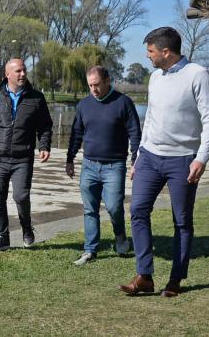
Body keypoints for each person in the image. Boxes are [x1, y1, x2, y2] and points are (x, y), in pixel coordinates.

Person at [119, 27, 209, 297]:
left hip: (183, 160)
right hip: (150, 156)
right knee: (138, 210)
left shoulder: (198, 75)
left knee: (182, 221)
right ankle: (144, 276)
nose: (148, 56)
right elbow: (150, 118)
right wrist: (138, 156)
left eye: (150, 51)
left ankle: (176, 279)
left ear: (166, 51)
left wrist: (202, 157)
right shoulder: (155, 77)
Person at [0, 58, 53, 251]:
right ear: (7, 74)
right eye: (18, 71)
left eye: (24, 70)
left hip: (22, 158)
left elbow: (45, 126)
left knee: (20, 196)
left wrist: (44, 145)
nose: (23, 74)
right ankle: (3, 237)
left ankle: (27, 229)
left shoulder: (36, 98)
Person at [65, 66, 141, 266]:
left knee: (115, 207)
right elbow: (76, 133)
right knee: (90, 209)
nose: (93, 89)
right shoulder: (84, 105)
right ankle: (90, 250)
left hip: (114, 166)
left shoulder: (123, 103)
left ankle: (120, 236)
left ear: (108, 81)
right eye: (90, 85)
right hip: (89, 165)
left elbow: (135, 133)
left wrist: (136, 161)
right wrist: (70, 159)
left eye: (97, 84)